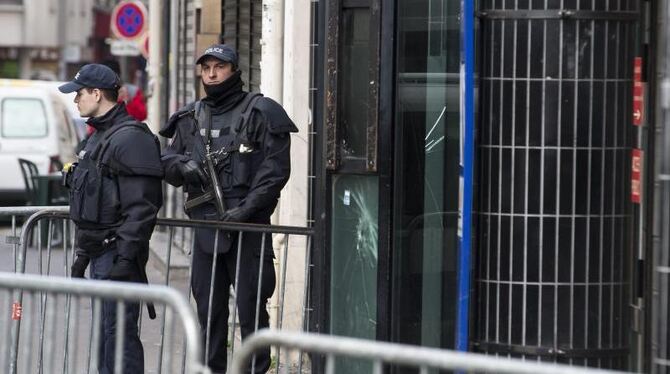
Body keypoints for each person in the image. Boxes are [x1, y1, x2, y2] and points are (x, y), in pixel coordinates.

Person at [160, 44, 298, 373]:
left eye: (219, 67)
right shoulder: (190, 116)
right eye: (206, 67)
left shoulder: (262, 112)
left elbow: (274, 172)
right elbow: (164, 160)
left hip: (248, 228)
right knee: (209, 312)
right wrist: (183, 165)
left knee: (251, 312)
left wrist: (246, 210)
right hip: (207, 226)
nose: (211, 73)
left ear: (234, 70)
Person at [59, 63, 163, 374]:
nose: (75, 100)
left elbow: (142, 207)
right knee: (107, 338)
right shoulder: (97, 137)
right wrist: (81, 254)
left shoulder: (130, 139)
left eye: (79, 93)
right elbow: (89, 200)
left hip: (117, 253)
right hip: (100, 252)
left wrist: (125, 259)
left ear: (96, 93)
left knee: (119, 341)